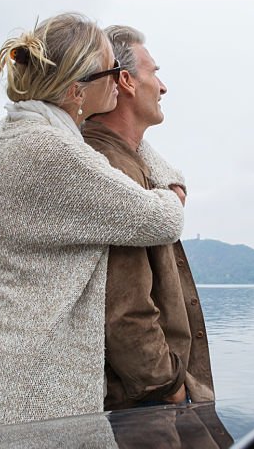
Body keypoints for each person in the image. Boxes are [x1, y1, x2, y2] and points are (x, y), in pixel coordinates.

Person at [0, 13, 186, 428]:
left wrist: (165, 175)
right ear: (78, 89)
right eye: (112, 71)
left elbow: (129, 156)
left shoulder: (24, 129)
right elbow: (160, 220)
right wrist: (173, 190)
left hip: (14, 363)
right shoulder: (49, 152)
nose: (120, 80)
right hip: (29, 381)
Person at [82, 25, 215, 410]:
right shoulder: (110, 171)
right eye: (154, 72)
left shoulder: (131, 163)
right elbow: (125, 309)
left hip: (151, 397)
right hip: (145, 405)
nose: (163, 87)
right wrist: (168, 387)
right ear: (125, 80)